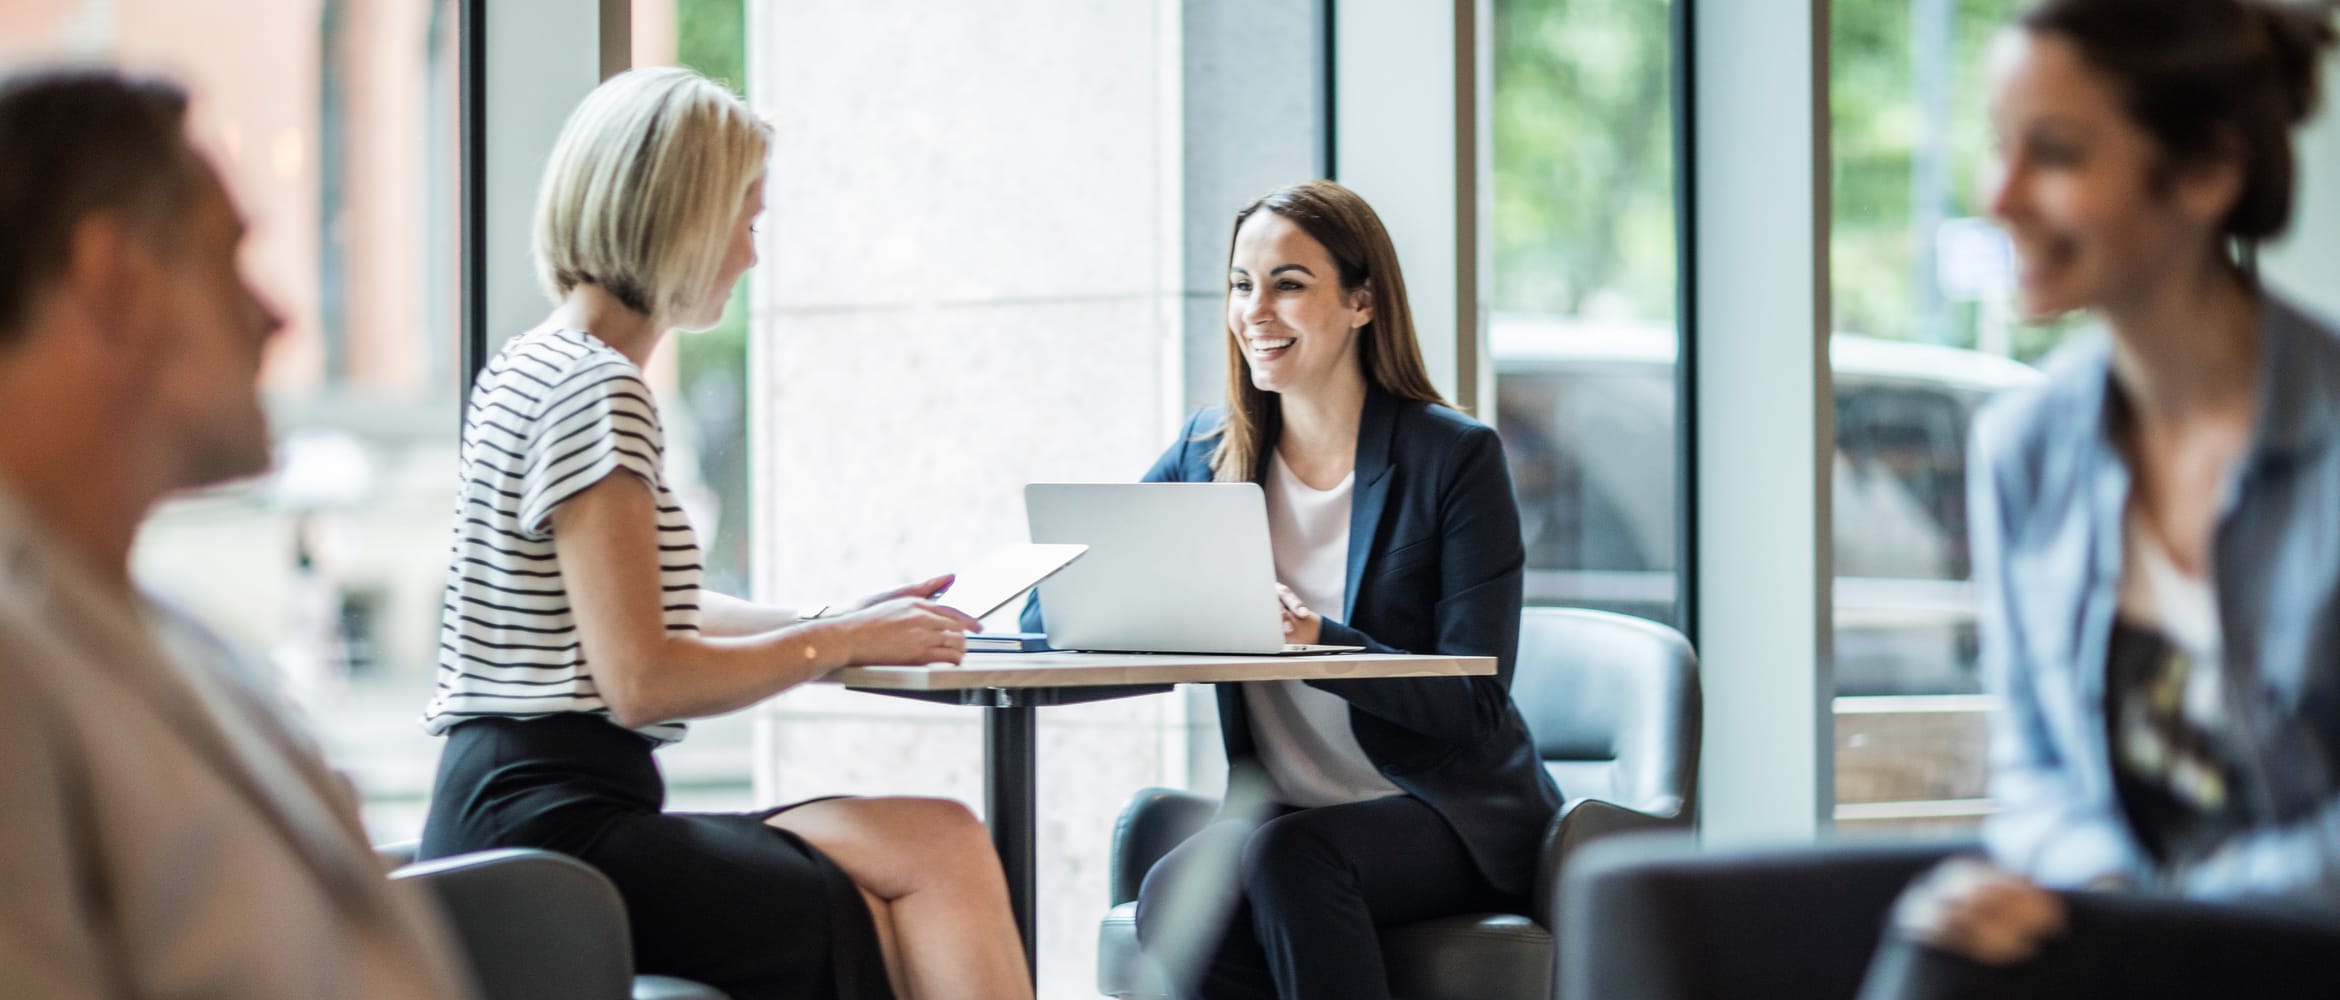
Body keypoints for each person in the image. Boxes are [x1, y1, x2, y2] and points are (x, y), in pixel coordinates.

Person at [415, 67, 1029, 1000]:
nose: (751, 255)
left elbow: (642, 605)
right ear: (682, 220)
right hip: (561, 837)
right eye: (747, 220)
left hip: (511, 812)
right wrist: (841, 644)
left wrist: (830, 616)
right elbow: (643, 679)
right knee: (911, 884)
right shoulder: (599, 394)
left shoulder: (535, 365)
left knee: (940, 840)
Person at [1860, 1, 2340, 996]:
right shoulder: (2024, 449)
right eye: (2001, 148)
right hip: (2129, 933)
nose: (2000, 195)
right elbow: (2034, 771)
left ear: (2208, 172)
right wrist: (2104, 891)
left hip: (2294, 939)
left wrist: (2162, 919)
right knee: (1939, 930)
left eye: (2058, 155)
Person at [0, 67, 474, 998]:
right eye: (228, 257)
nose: (276, 316)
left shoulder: (167, 634)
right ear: (116, 279)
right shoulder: (19, 668)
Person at [1029, 180, 1565, 1000]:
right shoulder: (1209, 452)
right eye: (1243, 285)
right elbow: (1057, 606)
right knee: (1180, 889)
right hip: (1287, 809)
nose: (1256, 311)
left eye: (1289, 284)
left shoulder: (1454, 459)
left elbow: (1472, 701)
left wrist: (1322, 641)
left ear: (1361, 302)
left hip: (1444, 810)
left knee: (1290, 858)